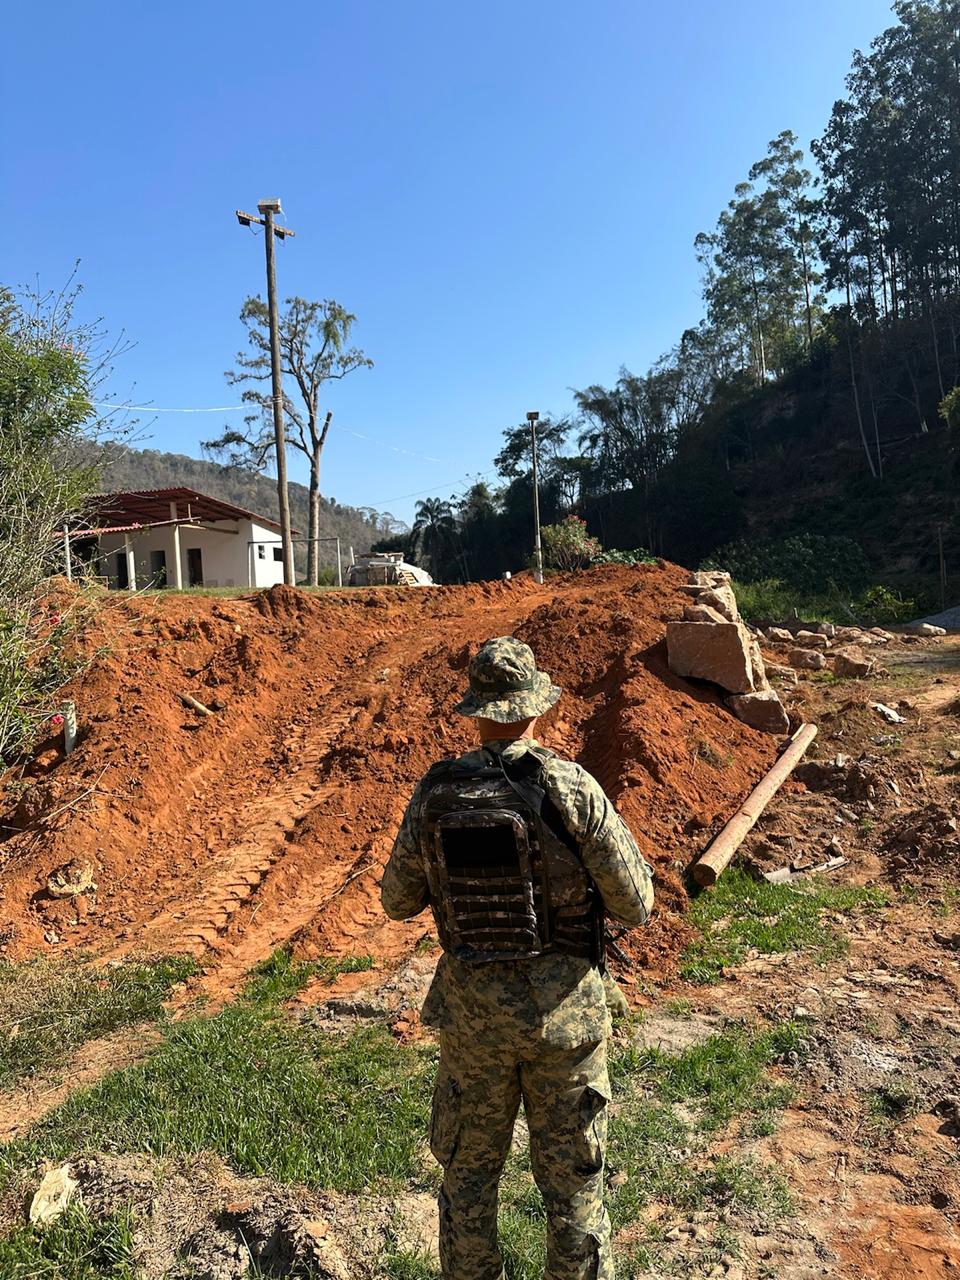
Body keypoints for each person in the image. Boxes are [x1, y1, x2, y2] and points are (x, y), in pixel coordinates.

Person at [381, 636, 654, 1280]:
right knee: (575, 1187)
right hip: (567, 1024)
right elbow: (635, 903)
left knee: (468, 1179)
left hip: (474, 1023)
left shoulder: (437, 792)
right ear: (536, 709)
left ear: (476, 711)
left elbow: (397, 901)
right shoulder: (570, 787)